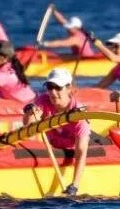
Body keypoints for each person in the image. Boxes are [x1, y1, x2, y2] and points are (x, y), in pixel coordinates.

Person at [22, 68, 90, 196]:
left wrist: (75, 185)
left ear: (69, 88)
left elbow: (81, 151)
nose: (52, 92)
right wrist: (29, 114)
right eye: (49, 87)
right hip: (55, 147)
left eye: (57, 88)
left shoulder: (79, 113)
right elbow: (28, 126)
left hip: (75, 146)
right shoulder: (43, 100)